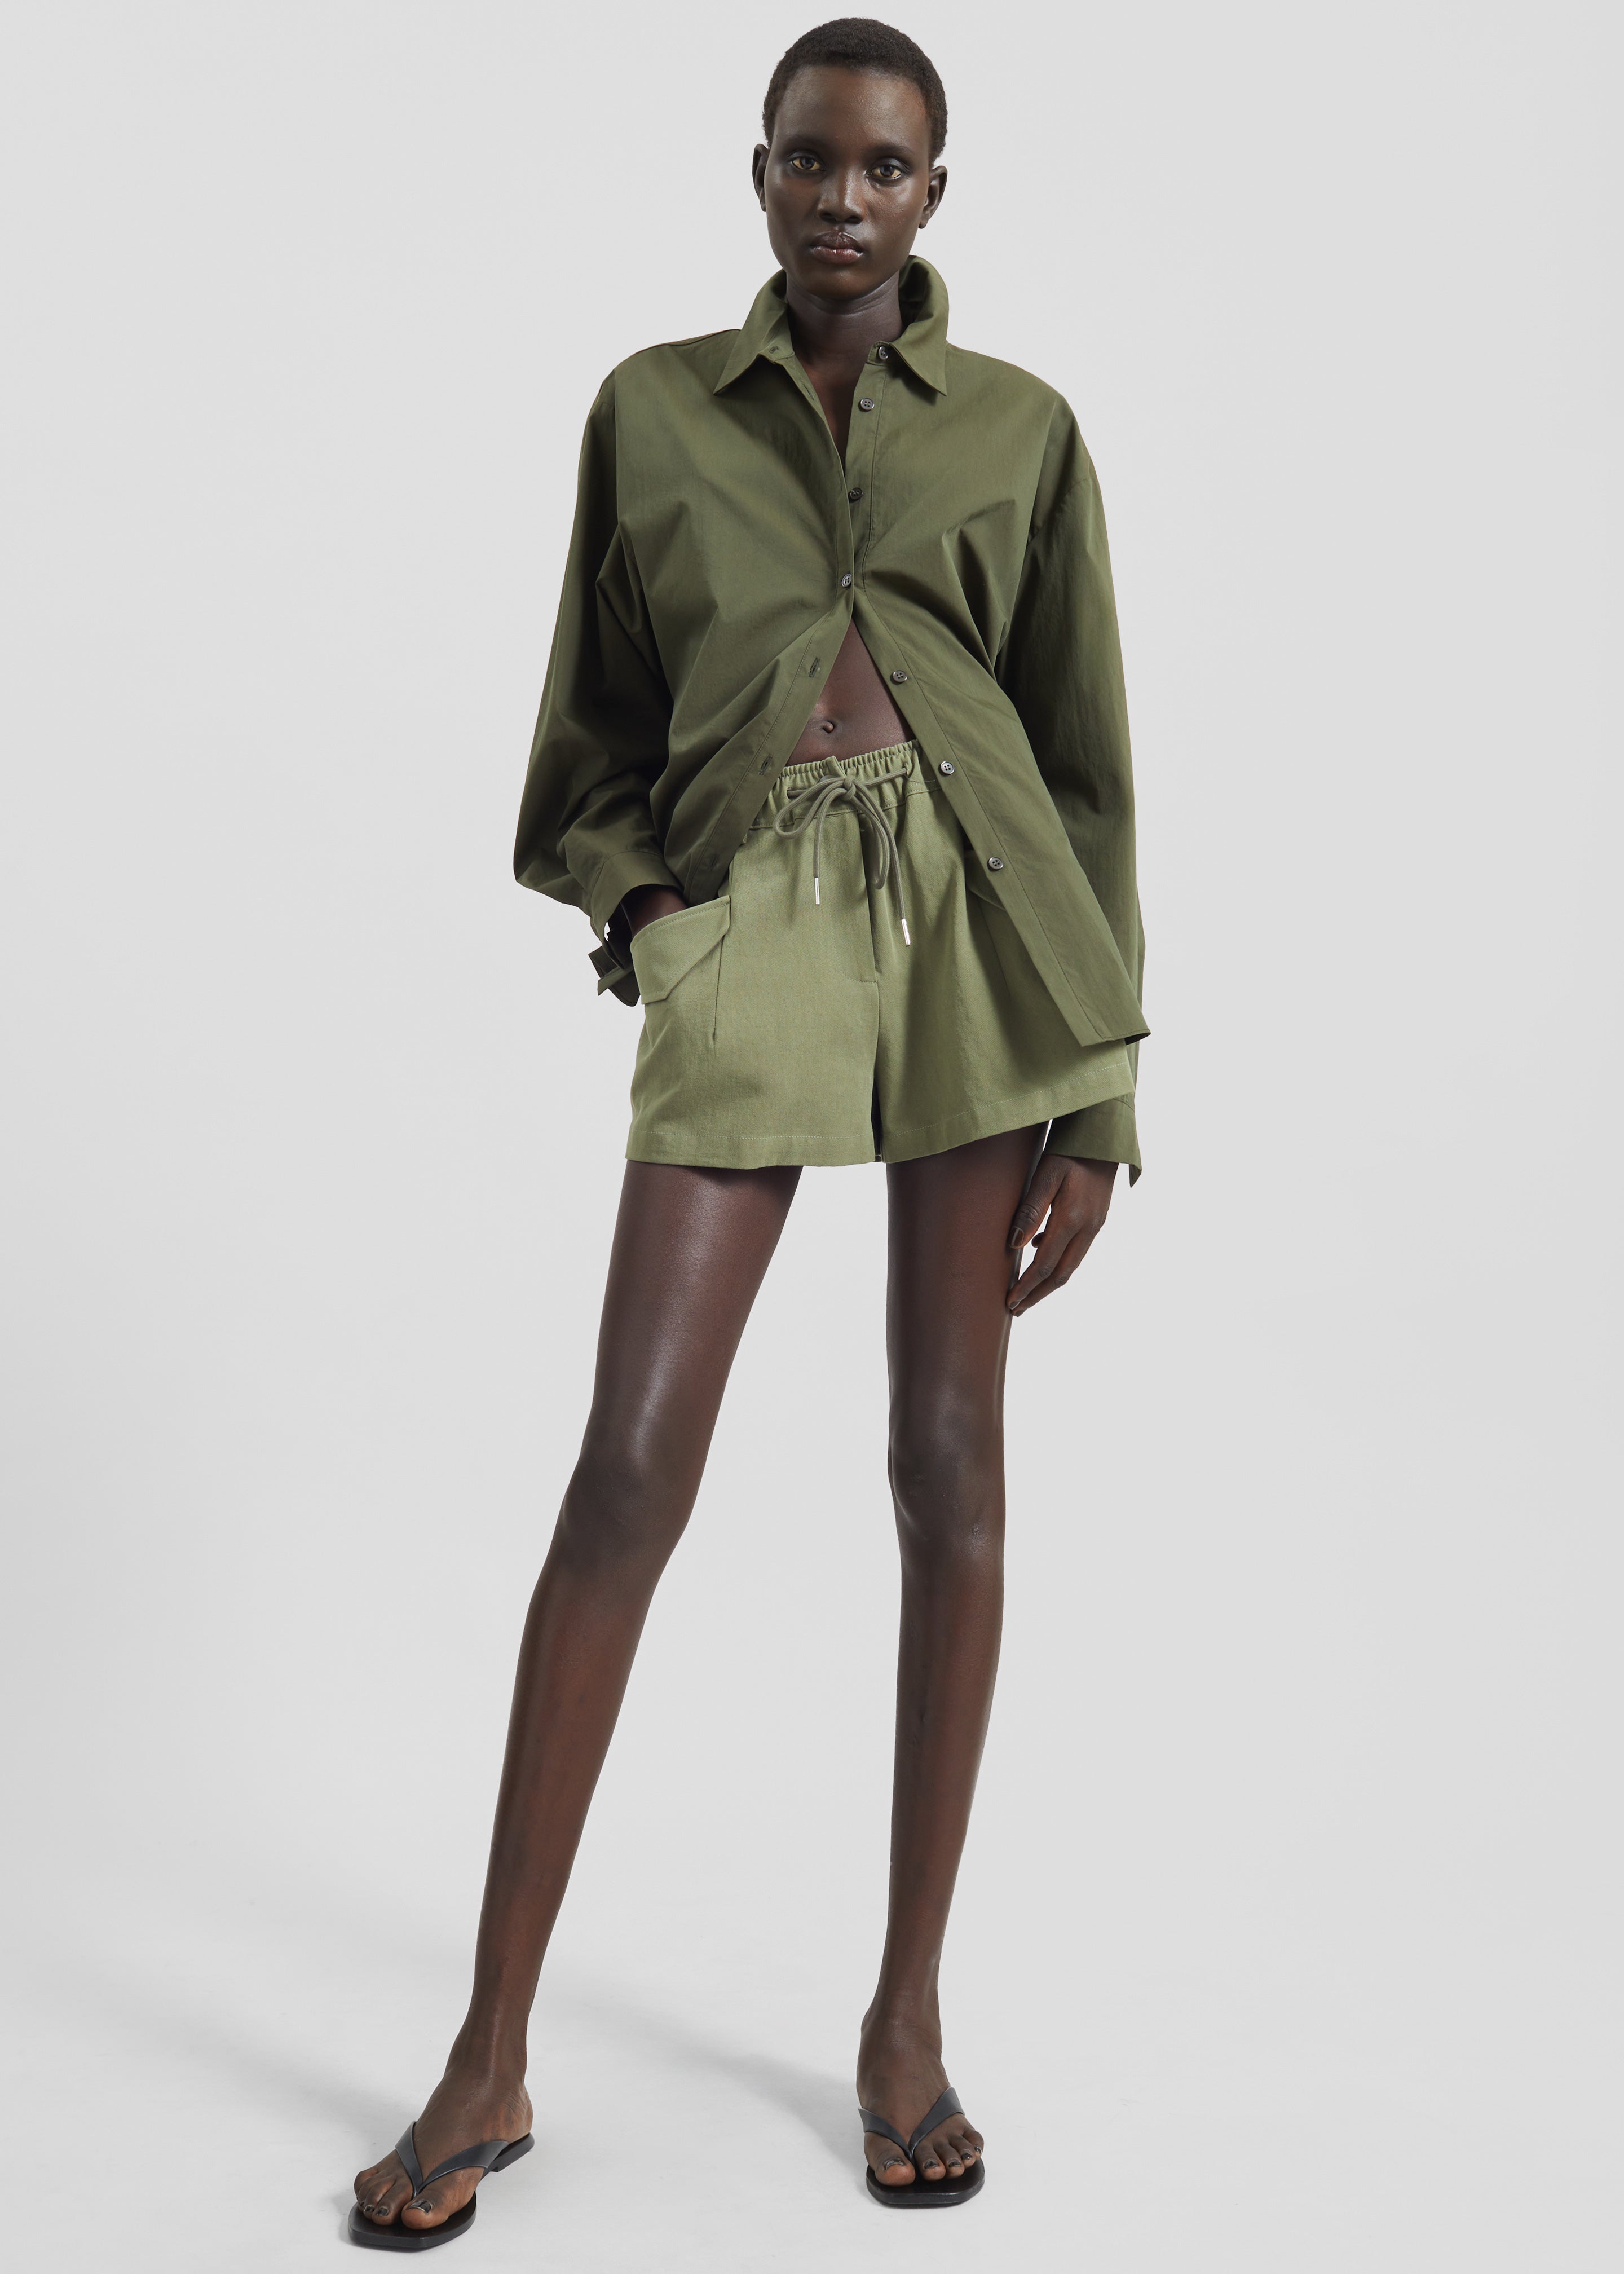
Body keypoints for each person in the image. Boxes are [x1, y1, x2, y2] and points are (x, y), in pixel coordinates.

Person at [350, 14, 1146, 2247]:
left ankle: (905, 2025)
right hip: (752, 920)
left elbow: (1087, 774)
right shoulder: (653, 412)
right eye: (810, 156)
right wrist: (653, 918)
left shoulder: (1022, 432)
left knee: (949, 1463)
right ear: (761, 171)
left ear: (935, 195)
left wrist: (1101, 1091)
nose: (842, 196)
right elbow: (583, 747)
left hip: (982, 937)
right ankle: (489, 2054)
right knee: (629, 1467)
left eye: (884, 167)